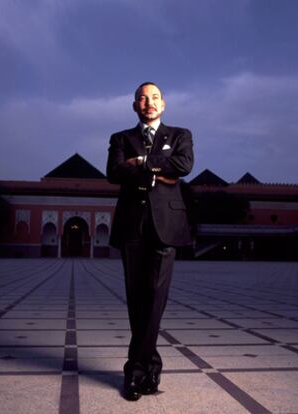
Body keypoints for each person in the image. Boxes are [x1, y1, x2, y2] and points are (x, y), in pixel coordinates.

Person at [106, 82, 194, 401]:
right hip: (132, 225)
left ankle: (135, 369)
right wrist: (160, 169)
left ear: (164, 104)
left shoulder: (180, 135)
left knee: (155, 296)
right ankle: (152, 363)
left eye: (155, 97)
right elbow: (114, 172)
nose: (149, 103)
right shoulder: (120, 138)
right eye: (143, 99)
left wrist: (141, 163)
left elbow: (183, 166)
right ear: (135, 106)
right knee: (136, 297)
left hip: (166, 225)